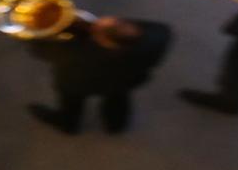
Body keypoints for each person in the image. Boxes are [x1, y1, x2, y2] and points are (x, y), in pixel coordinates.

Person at [28, 15, 173, 135]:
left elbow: (39, 52)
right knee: (117, 100)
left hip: (77, 84)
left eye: (96, 27)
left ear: (103, 40)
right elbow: (147, 25)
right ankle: (115, 127)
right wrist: (110, 28)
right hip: (126, 80)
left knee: (71, 105)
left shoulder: (74, 52)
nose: (94, 22)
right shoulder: (159, 34)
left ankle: (68, 125)